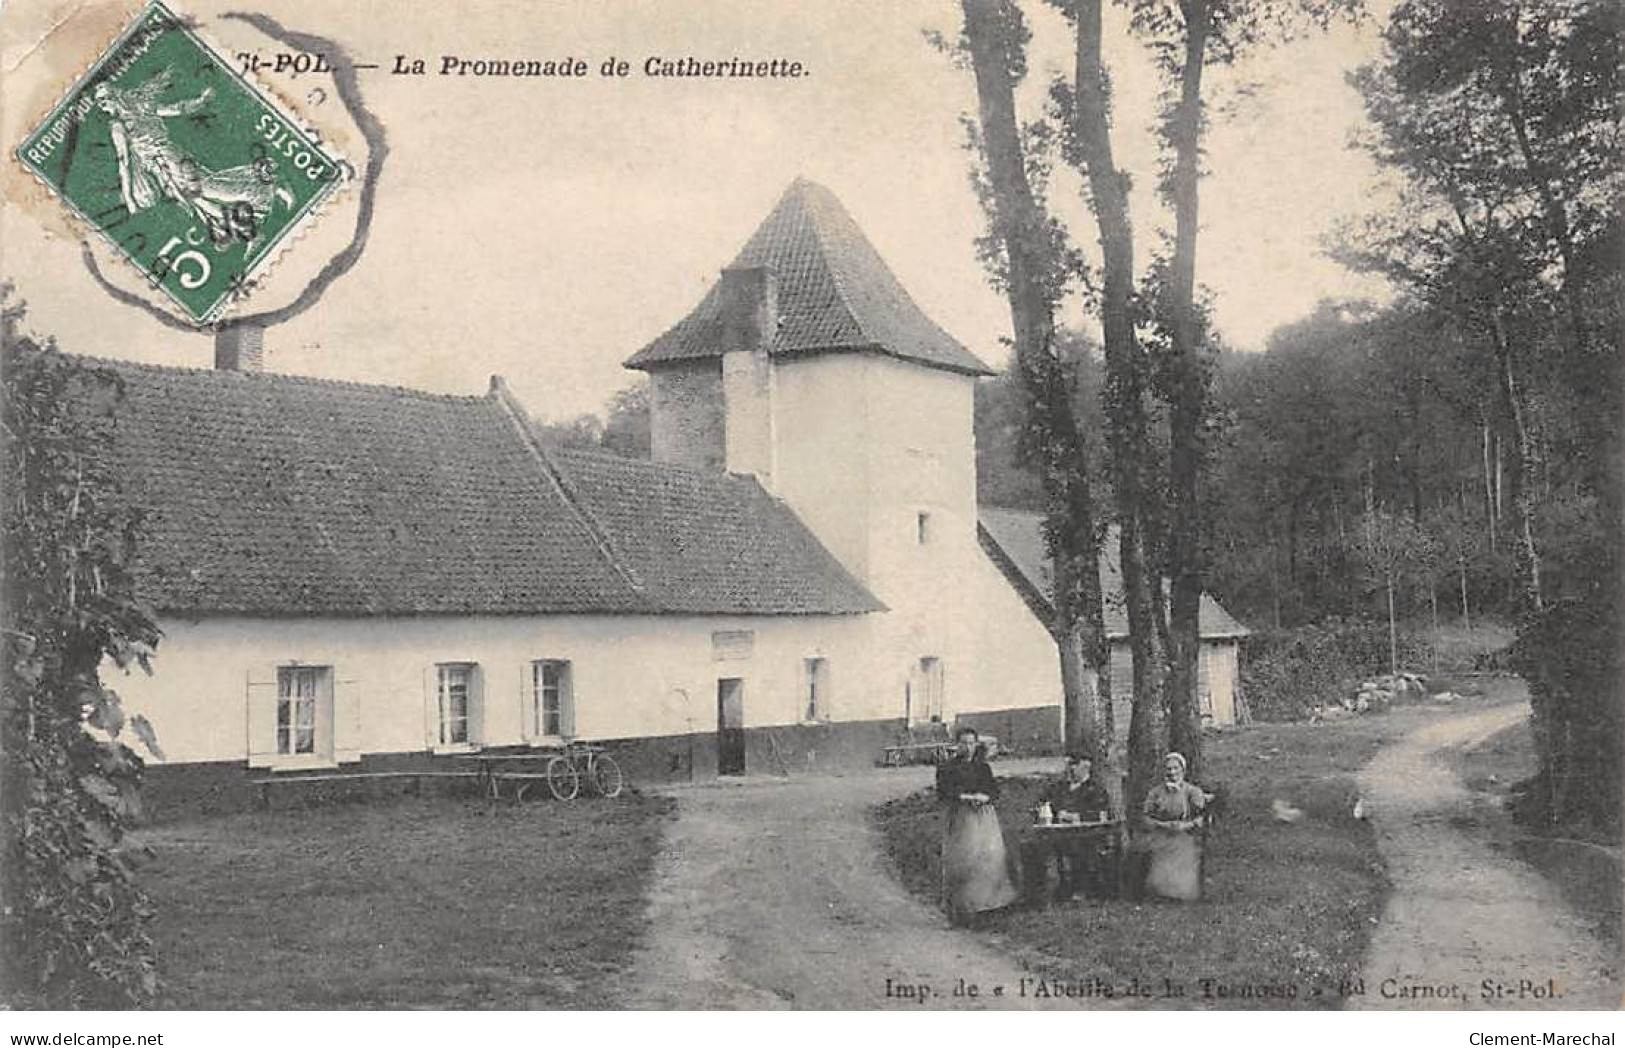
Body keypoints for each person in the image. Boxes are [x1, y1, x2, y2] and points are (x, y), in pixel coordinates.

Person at [936, 727, 1018, 923]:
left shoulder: (982, 767)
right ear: (956, 745)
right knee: (963, 860)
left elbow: (994, 790)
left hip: (983, 817)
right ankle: (960, 909)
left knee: (988, 857)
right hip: (960, 817)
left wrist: (985, 797)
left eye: (971, 743)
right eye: (963, 743)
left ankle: (985, 905)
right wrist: (964, 797)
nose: (968, 747)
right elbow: (943, 793)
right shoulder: (947, 768)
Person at [1037, 753, 1115, 899]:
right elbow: (1044, 803)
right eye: (1069, 767)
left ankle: (1082, 887)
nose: (1070, 771)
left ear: (1085, 767)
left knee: (1081, 848)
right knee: (1040, 846)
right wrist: (1049, 811)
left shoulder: (1095, 789)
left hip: (1088, 834)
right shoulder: (1059, 788)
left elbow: (1101, 814)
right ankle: (1052, 887)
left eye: (1074, 767)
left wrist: (1076, 817)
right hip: (1059, 833)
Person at [1139, 751, 1213, 901]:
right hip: (1161, 834)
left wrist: (1186, 826)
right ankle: (1160, 890)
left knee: (1183, 852)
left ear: (1183, 770)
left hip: (1186, 835)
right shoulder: (1155, 793)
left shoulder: (1192, 792)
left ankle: (1181, 891)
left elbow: (1203, 818)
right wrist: (1163, 825)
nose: (1172, 773)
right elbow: (1144, 817)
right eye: (1168, 769)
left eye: (1175, 768)